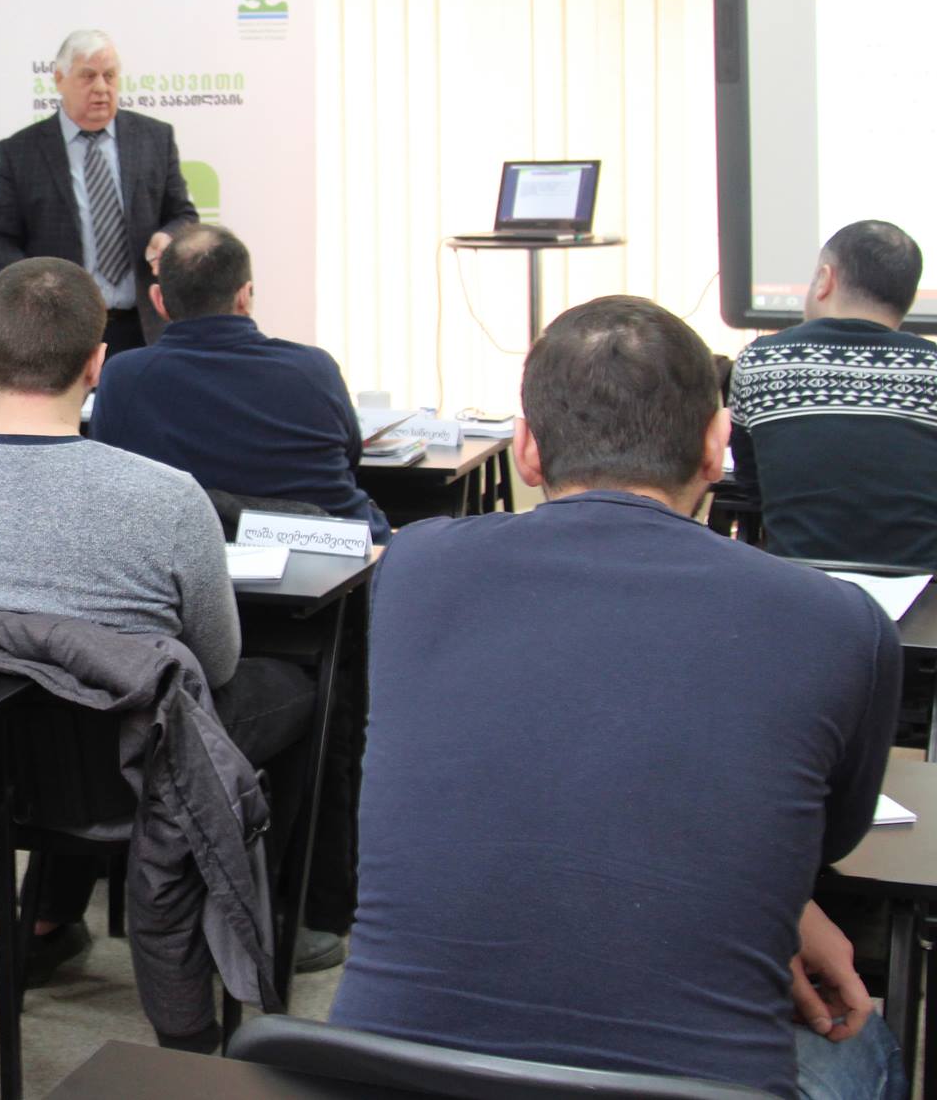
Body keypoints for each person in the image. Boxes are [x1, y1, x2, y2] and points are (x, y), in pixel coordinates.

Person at [330, 295, 905, 1100]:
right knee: (870, 1040)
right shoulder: (841, 623)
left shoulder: (415, 568)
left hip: (386, 1080)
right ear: (717, 446)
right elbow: (824, 839)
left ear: (527, 448)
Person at [0, 257, 315, 1045]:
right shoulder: (168, 496)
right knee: (297, 687)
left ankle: (48, 914)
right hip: (124, 774)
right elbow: (216, 664)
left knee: (70, 695)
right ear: (98, 363)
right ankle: (279, 927)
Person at [93, 223, 389, 540]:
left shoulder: (124, 377)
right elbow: (351, 459)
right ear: (245, 295)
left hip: (182, 560)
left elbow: (108, 474)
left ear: (158, 300)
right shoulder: (315, 370)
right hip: (332, 557)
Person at [729, 219, 937, 567]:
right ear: (910, 298)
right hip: (921, 589)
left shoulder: (760, 361)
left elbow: (751, 483)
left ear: (825, 279)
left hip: (801, 583)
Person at [0, 29, 200, 356]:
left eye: (109, 76)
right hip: (60, 328)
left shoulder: (155, 138)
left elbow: (183, 215)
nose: (101, 87)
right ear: (59, 79)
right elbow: (0, 240)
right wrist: (36, 288)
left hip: (144, 327)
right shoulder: (20, 152)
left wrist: (167, 236)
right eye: (88, 76)